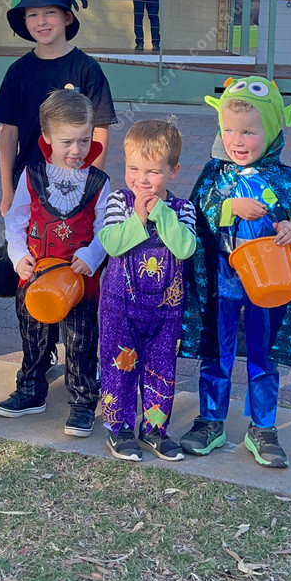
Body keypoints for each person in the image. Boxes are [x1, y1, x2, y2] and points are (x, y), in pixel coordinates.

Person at [0, 0, 116, 375]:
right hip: (33, 194)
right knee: (34, 270)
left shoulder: (86, 69)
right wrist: (7, 188)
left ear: (67, 17)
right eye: (32, 15)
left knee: (76, 275)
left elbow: (100, 130)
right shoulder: (19, 71)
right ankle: (40, 356)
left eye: (49, 13)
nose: (41, 22)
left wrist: (88, 187)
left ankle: (81, 361)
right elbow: (8, 133)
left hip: (77, 193)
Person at [180, 77, 291, 468]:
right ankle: (210, 420)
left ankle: (262, 426)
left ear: (272, 130)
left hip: (271, 284)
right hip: (223, 282)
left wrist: (290, 227)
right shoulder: (215, 175)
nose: (237, 141)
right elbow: (196, 214)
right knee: (217, 350)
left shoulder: (286, 180)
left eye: (248, 132)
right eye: (228, 130)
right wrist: (230, 208)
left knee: (264, 353)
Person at [0, 89, 110, 432]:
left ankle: (83, 400)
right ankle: (31, 390)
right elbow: (16, 220)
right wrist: (19, 256)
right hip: (35, 275)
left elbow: (107, 227)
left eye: (84, 140)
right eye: (67, 142)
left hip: (79, 281)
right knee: (33, 336)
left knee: (80, 340)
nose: (76, 150)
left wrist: (92, 255)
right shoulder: (31, 176)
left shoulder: (98, 182)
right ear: (46, 137)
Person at [98, 119, 196, 462]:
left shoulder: (183, 210)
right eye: (133, 169)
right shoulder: (119, 201)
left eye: (153, 172)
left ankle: (154, 428)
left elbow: (185, 248)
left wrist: (162, 215)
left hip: (165, 313)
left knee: (161, 371)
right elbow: (111, 244)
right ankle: (120, 427)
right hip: (120, 308)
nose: (141, 179)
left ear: (173, 171)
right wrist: (138, 219)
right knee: (119, 368)